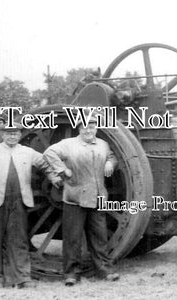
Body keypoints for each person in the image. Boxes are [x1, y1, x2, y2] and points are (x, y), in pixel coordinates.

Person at [0, 123, 56, 289]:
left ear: (20, 134)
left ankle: (22, 278)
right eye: (9, 133)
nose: (12, 136)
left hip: (19, 202)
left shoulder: (28, 152)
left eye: (15, 133)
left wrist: (53, 176)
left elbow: (45, 164)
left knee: (19, 239)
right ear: (2, 134)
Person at [43, 115, 119, 286]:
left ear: (96, 129)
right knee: (73, 238)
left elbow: (113, 157)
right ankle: (71, 274)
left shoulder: (102, 144)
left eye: (91, 127)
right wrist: (62, 170)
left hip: (97, 197)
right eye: (84, 127)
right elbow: (49, 153)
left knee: (99, 237)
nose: (88, 130)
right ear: (79, 129)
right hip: (75, 198)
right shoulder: (68, 144)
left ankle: (104, 270)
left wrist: (110, 163)